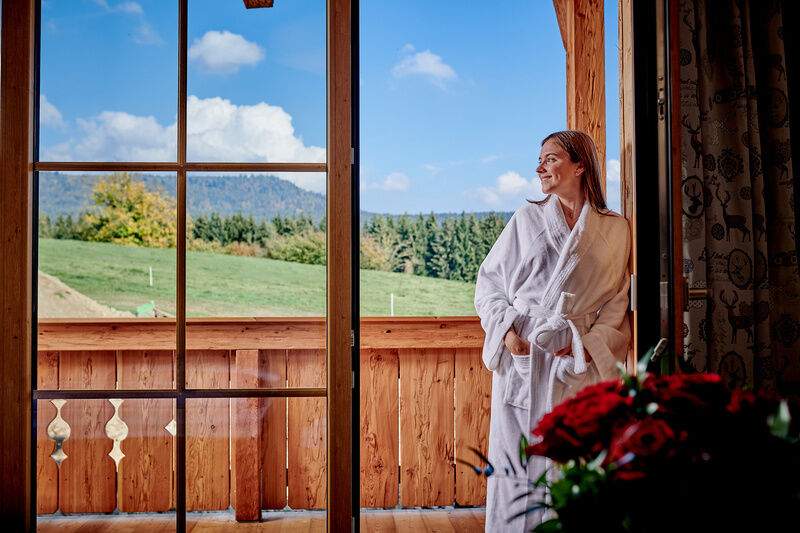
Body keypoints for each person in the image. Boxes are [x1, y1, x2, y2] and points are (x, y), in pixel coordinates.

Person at [475, 130, 631, 532]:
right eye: (540, 159)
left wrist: (587, 346)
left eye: (550, 158)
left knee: (569, 470)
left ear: (580, 165)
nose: (539, 168)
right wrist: (510, 335)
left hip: (573, 363)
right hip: (523, 359)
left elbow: (618, 302)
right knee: (516, 468)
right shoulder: (526, 219)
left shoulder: (615, 229)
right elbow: (489, 284)